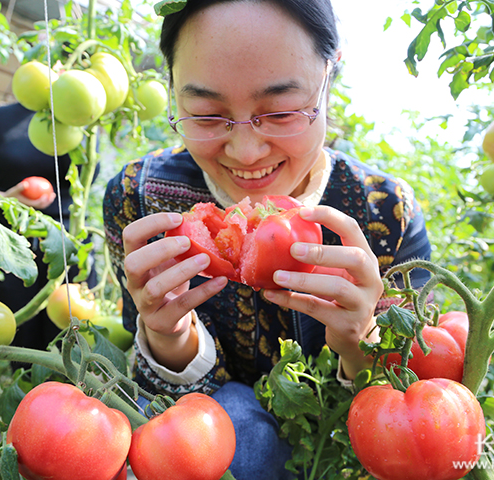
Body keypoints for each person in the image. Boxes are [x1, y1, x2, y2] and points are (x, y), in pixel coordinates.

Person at [102, 0, 432, 478]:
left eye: (280, 112)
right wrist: (167, 336)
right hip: (210, 453)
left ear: (329, 77)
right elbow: (160, 409)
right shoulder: (139, 199)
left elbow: (409, 414)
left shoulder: (387, 212)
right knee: (237, 416)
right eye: (207, 115)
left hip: (338, 454)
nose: (247, 151)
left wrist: (360, 344)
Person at [0, 101, 97, 354]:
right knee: (18, 344)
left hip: (70, 245)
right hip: (11, 248)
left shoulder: (83, 117)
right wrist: (3, 199)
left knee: (72, 345)